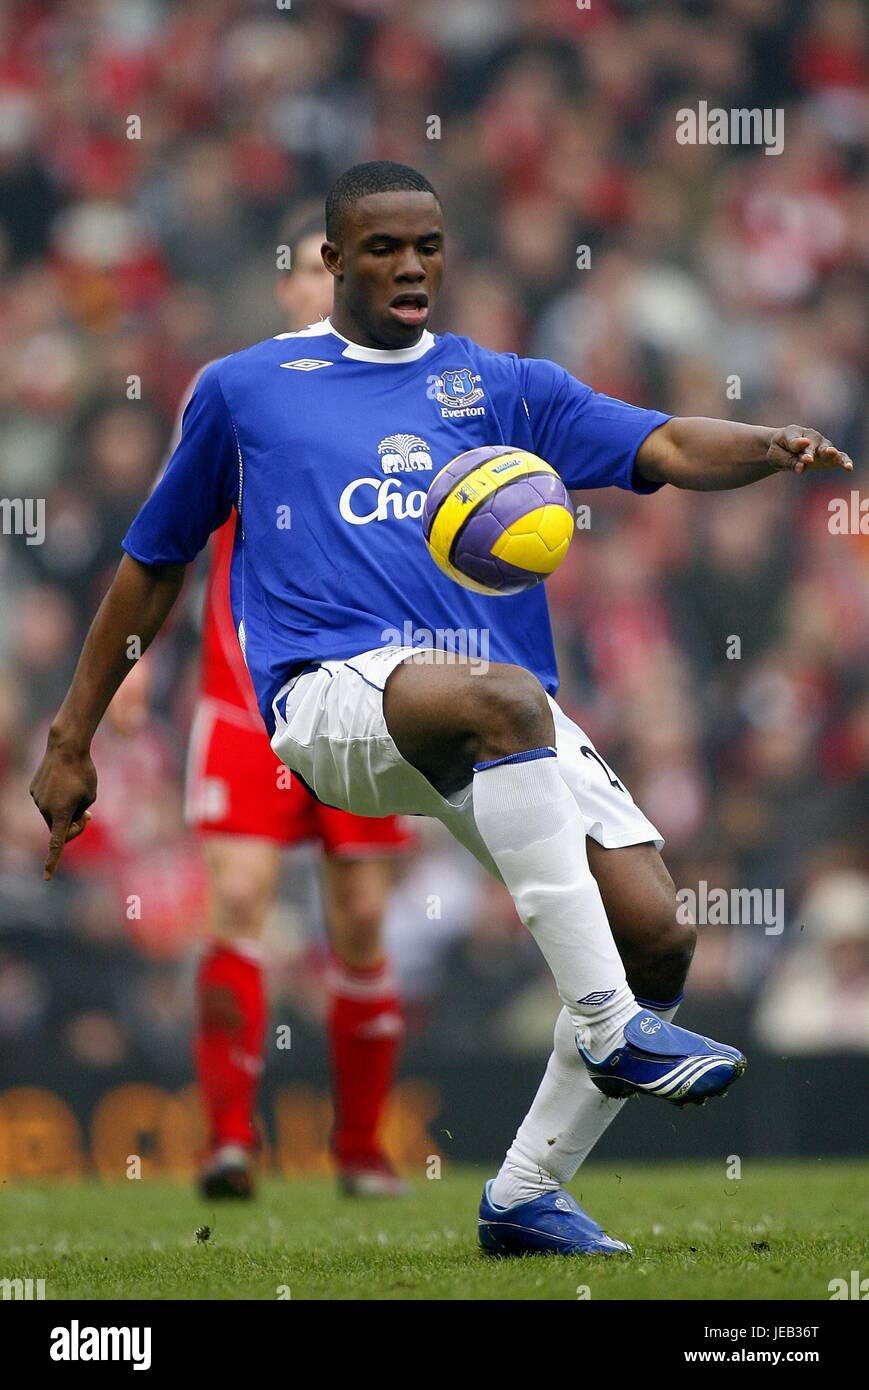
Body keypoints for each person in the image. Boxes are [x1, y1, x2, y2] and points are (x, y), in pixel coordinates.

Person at [31, 161, 854, 1257]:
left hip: (483, 715)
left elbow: (657, 442)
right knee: (509, 709)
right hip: (327, 700)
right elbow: (149, 564)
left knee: (655, 934)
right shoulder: (247, 388)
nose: (409, 264)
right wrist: (71, 735)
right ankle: (610, 1028)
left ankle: (523, 1193)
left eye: (425, 244)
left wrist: (764, 445)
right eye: (381, 247)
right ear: (330, 261)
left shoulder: (500, 385)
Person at [179, 216, 412, 1200]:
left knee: (359, 919)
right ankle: (228, 1141)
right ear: (284, 290)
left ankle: (359, 1148)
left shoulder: (407, 394)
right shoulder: (235, 390)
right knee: (235, 902)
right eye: (312, 271)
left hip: (362, 705)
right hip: (245, 702)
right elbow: (171, 525)